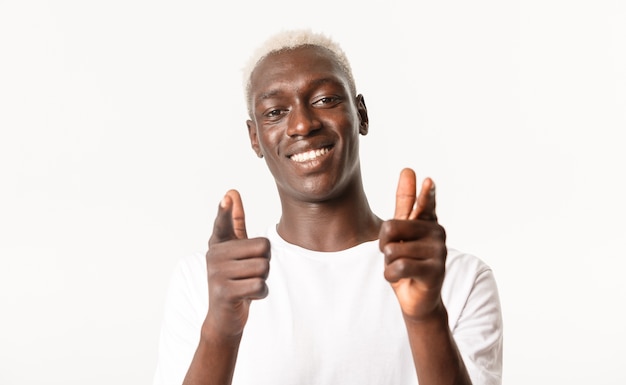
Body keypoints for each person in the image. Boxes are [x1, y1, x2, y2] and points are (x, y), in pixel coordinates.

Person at [153, 29, 503, 385]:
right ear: (255, 137)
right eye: (275, 111)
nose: (303, 124)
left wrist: (426, 317)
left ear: (361, 114)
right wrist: (221, 332)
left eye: (325, 100)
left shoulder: (457, 278)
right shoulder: (205, 283)